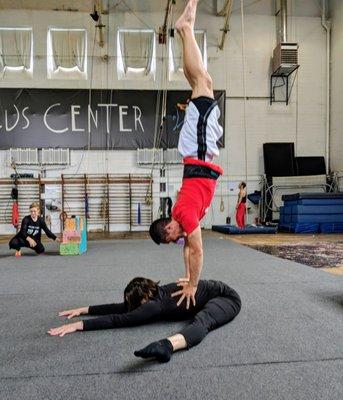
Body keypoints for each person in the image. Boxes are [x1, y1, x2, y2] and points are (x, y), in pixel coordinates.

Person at [149, 0, 224, 309]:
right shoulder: (181, 217)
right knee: (201, 82)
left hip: (199, 152)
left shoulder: (183, 216)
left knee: (203, 84)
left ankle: (186, 28)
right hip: (195, 152)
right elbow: (186, 249)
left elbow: (197, 249)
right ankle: (186, 29)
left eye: (170, 237)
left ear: (168, 227)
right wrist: (185, 274)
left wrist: (193, 283)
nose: (176, 240)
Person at [48, 277, 241, 363]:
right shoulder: (154, 293)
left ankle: (167, 346)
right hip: (213, 290)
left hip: (227, 298)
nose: (135, 309)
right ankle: (167, 345)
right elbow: (122, 309)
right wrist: (84, 310)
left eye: (136, 304)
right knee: (200, 316)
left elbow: (120, 319)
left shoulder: (154, 305)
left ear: (143, 299)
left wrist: (79, 326)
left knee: (202, 321)